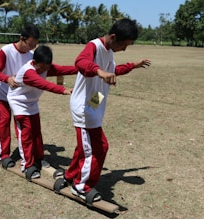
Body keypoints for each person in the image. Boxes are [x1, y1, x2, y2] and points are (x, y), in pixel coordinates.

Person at [64, 18, 152, 203]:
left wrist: (132, 65)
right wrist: (99, 72)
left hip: (95, 101)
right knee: (99, 147)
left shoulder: (109, 51)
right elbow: (80, 62)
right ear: (113, 37)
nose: (124, 50)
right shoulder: (94, 46)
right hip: (84, 106)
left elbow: (113, 70)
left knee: (84, 146)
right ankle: (81, 186)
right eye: (124, 45)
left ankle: (70, 175)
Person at [7, 45, 78, 180]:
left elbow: (63, 69)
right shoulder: (29, 71)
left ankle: (39, 159)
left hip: (31, 103)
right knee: (26, 134)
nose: (45, 71)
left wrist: (84, 69)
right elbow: (43, 84)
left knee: (36, 133)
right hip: (19, 104)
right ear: (34, 63)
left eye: (47, 68)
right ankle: (27, 165)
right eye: (42, 68)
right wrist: (63, 90)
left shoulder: (44, 66)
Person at [0, 25, 39, 169]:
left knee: (21, 123)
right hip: (3, 92)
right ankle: (3, 155)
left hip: (18, 96)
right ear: (21, 39)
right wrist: (7, 79)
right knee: (4, 121)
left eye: (35, 45)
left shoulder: (31, 55)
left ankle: (26, 154)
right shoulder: (6, 51)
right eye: (30, 44)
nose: (32, 48)